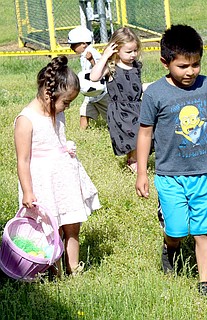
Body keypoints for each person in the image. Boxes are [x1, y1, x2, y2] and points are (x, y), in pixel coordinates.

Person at [135, 25, 207, 296]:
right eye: (183, 66)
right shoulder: (155, 93)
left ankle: (204, 284)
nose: (191, 72)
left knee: (204, 230)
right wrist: (142, 173)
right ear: (165, 62)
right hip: (169, 175)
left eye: (196, 64)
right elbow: (145, 133)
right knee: (177, 229)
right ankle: (170, 248)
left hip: (204, 172)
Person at [15, 56, 100, 276]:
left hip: (64, 176)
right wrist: (27, 191)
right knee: (50, 228)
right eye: (66, 102)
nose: (67, 108)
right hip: (42, 182)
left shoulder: (56, 111)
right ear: (47, 94)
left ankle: (74, 267)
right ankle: (55, 272)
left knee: (72, 224)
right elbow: (23, 160)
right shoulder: (26, 120)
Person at [90, 27, 144, 172]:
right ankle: (133, 161)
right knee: (132, 136)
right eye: (128, 51)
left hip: (137, 107)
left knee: (143, 134)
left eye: (135, 50)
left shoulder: (136, 66)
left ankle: (135, 159)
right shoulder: (111, 68)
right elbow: (94, 77)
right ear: (116, 50)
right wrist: (105, 57)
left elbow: (136, 87)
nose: (133, 55)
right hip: (120, 111)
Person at [67, 26, 109, 129]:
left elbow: (101, 70)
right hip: (91, 93)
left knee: (110, 115)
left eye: (73, 45)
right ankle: (82, 132)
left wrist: (91, 60)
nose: (71, 48)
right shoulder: (84, 54)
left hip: (101, 92)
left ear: (84, 44)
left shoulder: (92, 53)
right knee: (84, 111)